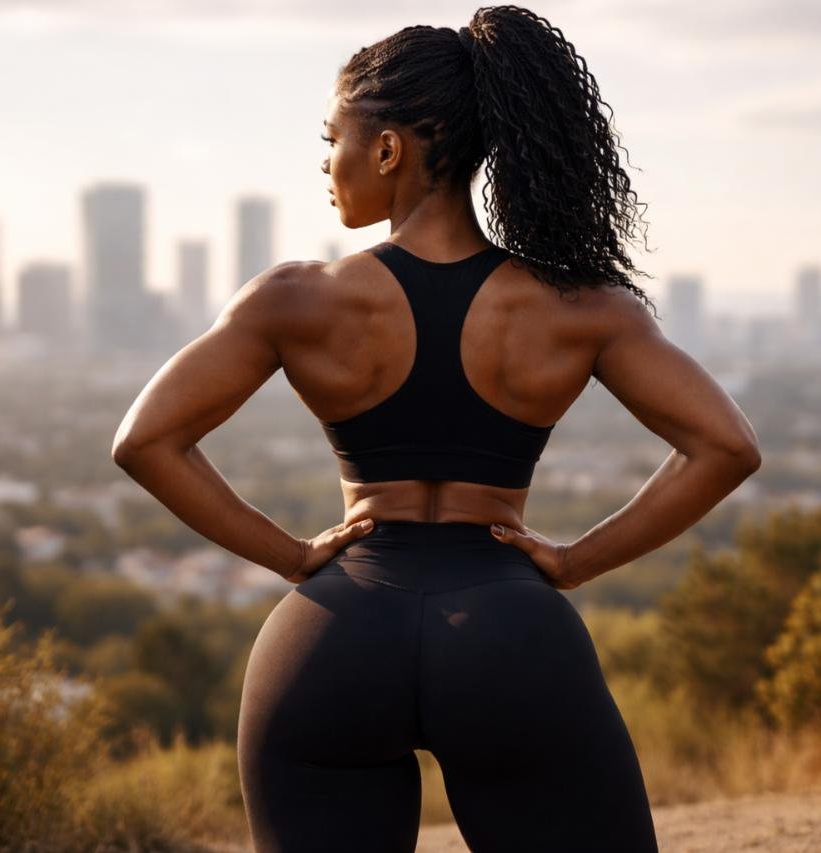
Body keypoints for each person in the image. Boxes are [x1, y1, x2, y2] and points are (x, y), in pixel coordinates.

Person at [112, 5, 760, 851]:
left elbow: (145, 440)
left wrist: (294, 556)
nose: (325, 162)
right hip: (509, 635)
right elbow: (726, 445)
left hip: (331, 640)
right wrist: (572, 560)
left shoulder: (296, 299)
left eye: (332, 137)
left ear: (387, 148)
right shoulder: (580, 306)